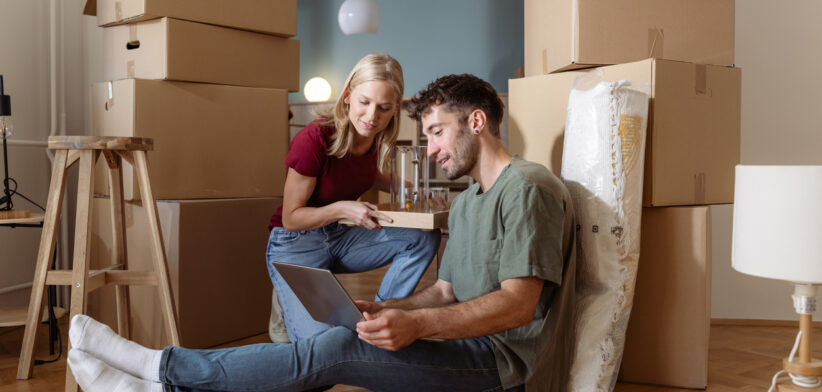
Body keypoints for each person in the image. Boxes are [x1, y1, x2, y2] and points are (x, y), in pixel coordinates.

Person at [67, 74, 577, 392]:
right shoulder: (469, 203)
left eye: (437, 132)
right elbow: (446, 291)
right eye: (425, 135)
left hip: (494, 364)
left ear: (478, 121)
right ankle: (161, 387)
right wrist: (390, 310)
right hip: (452, 339)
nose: (431, 148)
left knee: (333, 352)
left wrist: (418, 326)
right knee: (338, 338)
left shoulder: (528, 187)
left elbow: (519, 305)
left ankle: (160, 367)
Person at [266, 53, 441, 342]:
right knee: (325, 347)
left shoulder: (373, 139)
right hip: (296, 243)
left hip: (339, 237)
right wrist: (342, 208)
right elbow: (291, 217)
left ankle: (380, 314)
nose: (372, 117)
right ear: (348, 96)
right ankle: (287, 307)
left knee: (423, 236)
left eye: (384, 108)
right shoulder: (313, 140)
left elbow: (365, 174)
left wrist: (416, 190)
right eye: (365, 102)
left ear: (396, 108)